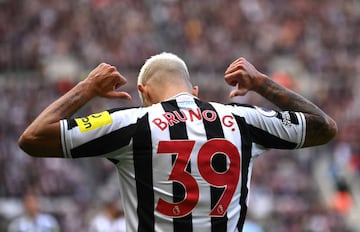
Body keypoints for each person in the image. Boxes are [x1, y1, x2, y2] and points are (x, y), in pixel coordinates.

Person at [18, 52, 337, 231]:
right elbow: (324, 127)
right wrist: (262, 83)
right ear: (194, 90)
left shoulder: (131, 122)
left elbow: (33, 137)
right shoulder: (242, 119)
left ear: (142, 93)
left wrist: (87, 87)